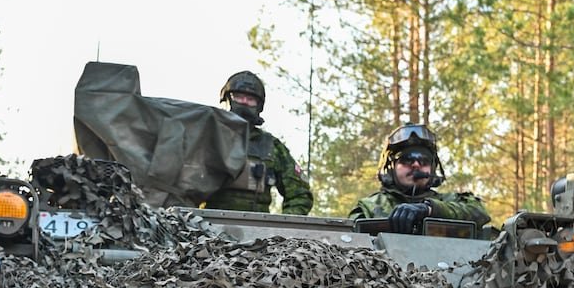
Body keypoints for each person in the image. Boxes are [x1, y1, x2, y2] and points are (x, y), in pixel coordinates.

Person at [204, 71, 313, 215]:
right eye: (238, 97)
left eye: (250, 99)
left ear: (259, 105)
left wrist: (281, 226)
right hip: (208, 225)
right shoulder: (207, 138)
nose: (244, 102)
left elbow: (300, 195)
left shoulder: (272, 147)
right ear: (227, 100)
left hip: (256, 226)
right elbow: (181, 185)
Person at [348, 124, 489, 235]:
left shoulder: (452, 201)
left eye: (424, 160)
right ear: (392, 167)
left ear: (432, 169)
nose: (416, 165)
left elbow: (480, 213)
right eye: (407, 159)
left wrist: (429, 210)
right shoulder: (368, 208)